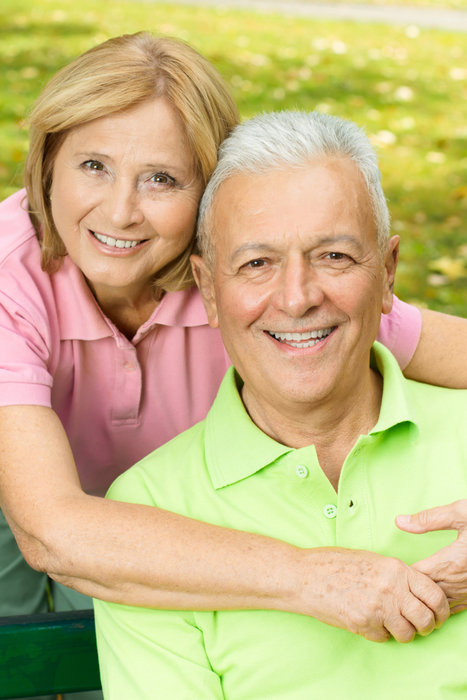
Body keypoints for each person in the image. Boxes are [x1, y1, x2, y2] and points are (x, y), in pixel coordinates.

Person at [0, 29, 466, 664]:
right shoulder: (9, 280)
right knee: (16, 649)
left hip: (163, 508)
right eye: (93, 166)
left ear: (209, 196)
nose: (119, 211)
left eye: (161, 179)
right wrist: (313, 578)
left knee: (103, 653)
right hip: (21, 499)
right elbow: (51, 529)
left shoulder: (260, 284)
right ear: (47, 161)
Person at [94, 110, 467, 700]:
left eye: (334, 257)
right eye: (257, 264)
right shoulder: (149, 510)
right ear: (210, 291)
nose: (296, 298)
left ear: (388, 272)